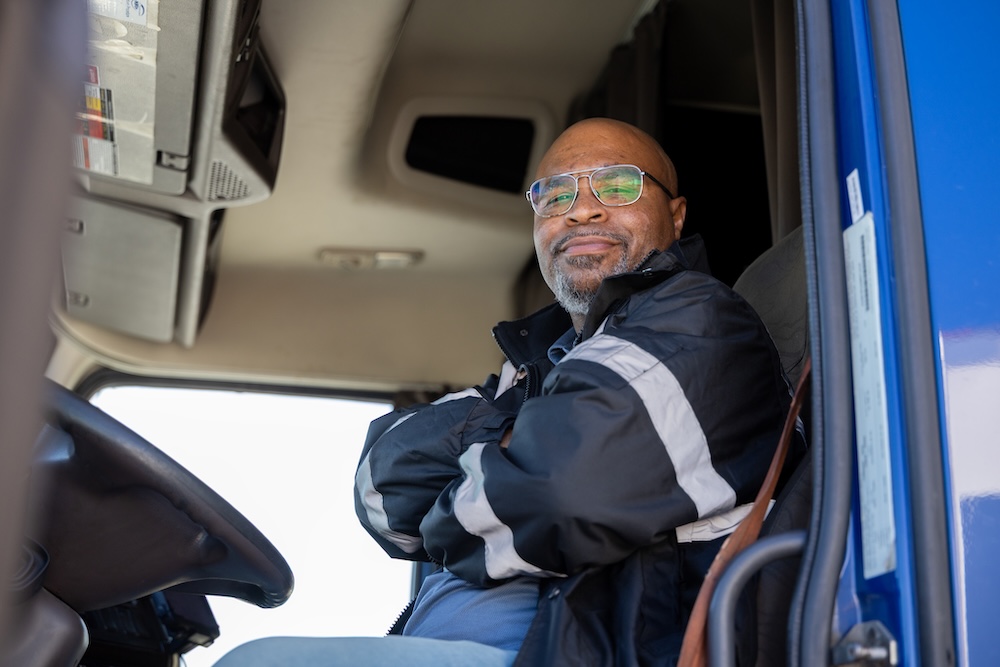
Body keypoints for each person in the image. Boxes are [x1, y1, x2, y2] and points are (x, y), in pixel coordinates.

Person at [215, 118, 798, 666]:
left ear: (675, 215)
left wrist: (482, 488)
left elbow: (559, 495)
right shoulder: (538, 359)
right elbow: (382, 491)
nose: (581, 210)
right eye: (555, 195)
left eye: (617, 186)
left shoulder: (700, 320)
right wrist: (524, 440)